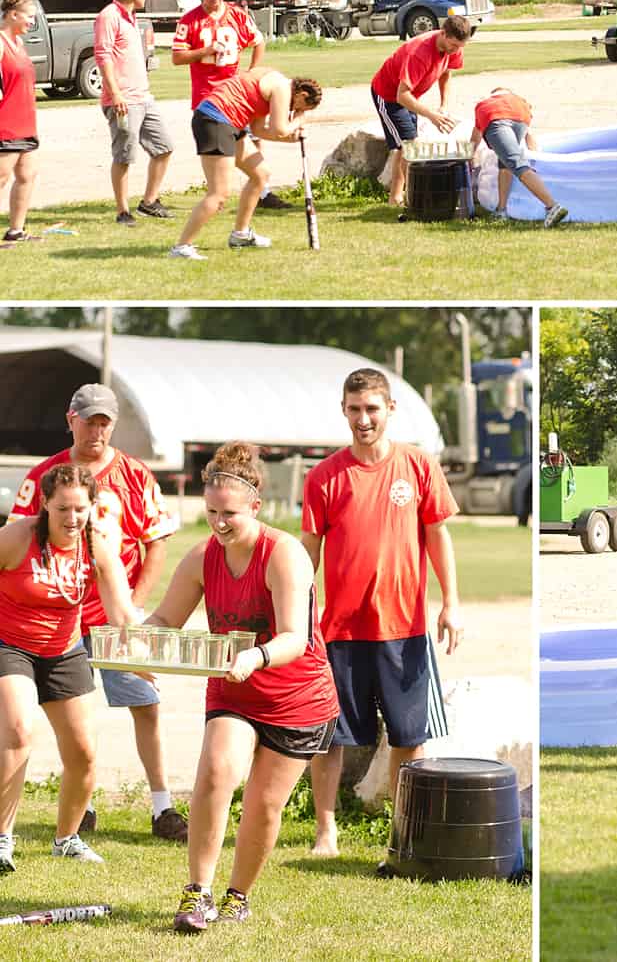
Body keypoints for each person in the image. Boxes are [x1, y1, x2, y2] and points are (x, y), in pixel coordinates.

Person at [145, 442, 338, 933]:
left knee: (264, 803)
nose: (219, 523)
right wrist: (131, 644)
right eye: (210, 512)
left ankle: (238, 896)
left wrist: (256, 655)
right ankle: (198, 893)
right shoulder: (203, 555)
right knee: (214, 772)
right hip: (233, 691)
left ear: (255, 505)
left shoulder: (285, 553)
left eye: (229, 513)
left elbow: (298, 636)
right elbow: (167, 618)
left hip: (296, 696)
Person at [7, 383, 186, 841]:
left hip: (113, 613)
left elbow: (156, 540)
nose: (98, 430)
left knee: (143, 704)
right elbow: (20, 535)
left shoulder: (134, 474)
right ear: (72, 420)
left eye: (106, 421)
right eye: (90, 420)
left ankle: (161, 806)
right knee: (36, 722)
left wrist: (137, 609)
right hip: (49, 616)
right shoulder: (45, 474)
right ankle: (74, 812)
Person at [301, 367, 463, 857]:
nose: (363, 419)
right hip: (341, 633)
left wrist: (451, 603)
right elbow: (308, 553)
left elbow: (438, 534)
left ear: (390, 409)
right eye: (354, 410)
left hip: (405, 630)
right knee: (332, 737)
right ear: (343, 411)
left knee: (410, 738)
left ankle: (403, 830)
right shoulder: (324, 477)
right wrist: (298, 617)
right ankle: (325, 831)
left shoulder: (417, 465)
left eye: (372, 409)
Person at [0, 463, 139, 872]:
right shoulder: (16, 537)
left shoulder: (97, 545)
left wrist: (143, 658)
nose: (72, 518)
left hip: (64, 650)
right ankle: (2, 838)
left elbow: (122, 615)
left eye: (80, 508)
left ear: (93, 506)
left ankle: (67, 838)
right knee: (19, 731)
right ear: (45, 505)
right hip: (11, 645)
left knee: (83, 751)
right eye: (62, 509)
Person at [172, 0, 294, 212]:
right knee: (216, 146)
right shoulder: (189, 20)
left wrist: (252, 71)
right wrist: (205, 51)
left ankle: (262, 191)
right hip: (208, 94)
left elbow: (258, 41)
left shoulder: (237, 15)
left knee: (254, 137)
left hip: (237, 93)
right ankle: (217, 193)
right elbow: (177, 57)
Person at [168, 68, 322, 260]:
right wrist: (298, 121)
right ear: (302, 94)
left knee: (260, 175)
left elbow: (259, 130)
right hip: (215, 120)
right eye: (300, 107)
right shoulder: (283, 87)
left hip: (229, 123)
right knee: (219, 194)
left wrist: (291, 138)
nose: (295, 111)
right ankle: (181, 247)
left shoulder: (274, 83)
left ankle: (240, 235)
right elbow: (280, 128)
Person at [93, 0, 174, 226]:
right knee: (124, 156)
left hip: (143, 97)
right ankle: (122, 211)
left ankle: (149, 202)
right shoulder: (109, 16)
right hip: (123, 101)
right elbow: (103, 55)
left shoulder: (131, 17)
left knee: (164, 147)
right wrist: (115, 93)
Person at [371, 16, 471, 206]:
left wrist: (443, 105)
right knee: (410, 146)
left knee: (406, 146)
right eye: (453, 45)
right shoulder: (419, 53)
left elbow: (446, 73)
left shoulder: (455, 48)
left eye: (460, 46)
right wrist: (432, 116)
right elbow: (401, 95)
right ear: (443, 33)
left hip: (410, 97)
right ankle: (418, 197)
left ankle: (397, 197)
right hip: (389, 95)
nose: (455, 50)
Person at [471, 86, 568, 227]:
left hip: (495, 119)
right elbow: (529, 135)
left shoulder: (486, 104)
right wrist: (536, 156)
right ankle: (501, 211)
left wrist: (470, 155)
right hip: (521, 116)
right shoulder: (517, 100)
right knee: (505, 164)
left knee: (518, 165)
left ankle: (552, 206)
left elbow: (476, 136)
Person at [0, 0, 40, 243]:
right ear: (13, 14)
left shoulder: (19, 42)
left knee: (27, 176)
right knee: (1, 177)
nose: (32, 21)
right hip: (6, 124)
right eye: (29, 16)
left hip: (26, 121)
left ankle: (16, 230)